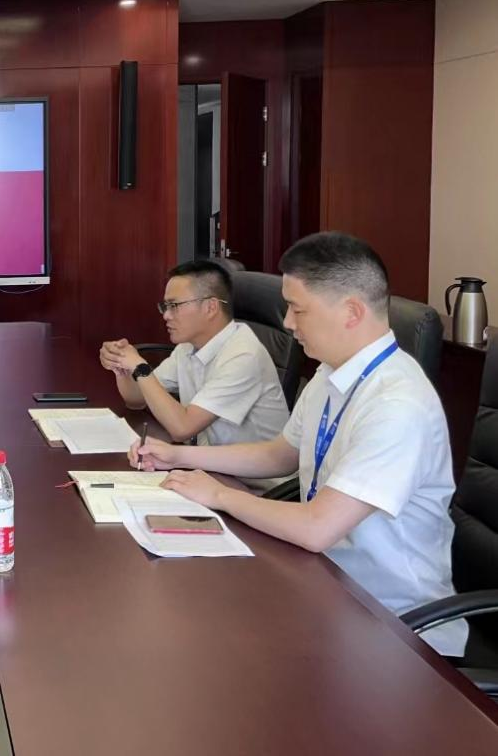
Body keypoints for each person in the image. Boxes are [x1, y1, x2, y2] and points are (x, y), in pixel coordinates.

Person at [130, 232, 465, 656]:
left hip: (394, 628)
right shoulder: (332, 373)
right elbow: (279, 454)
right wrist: (178, 455)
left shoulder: (397, 404)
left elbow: (316, 527)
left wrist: (218, 494)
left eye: (298, 309)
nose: (287, 323)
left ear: (351, 312)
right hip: (324, 585)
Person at [100, 260, 289, 455]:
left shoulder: (243, 356)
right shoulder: (188, 346)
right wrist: (122, 366)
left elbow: (182, 428)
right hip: (206, 462)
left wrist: (140, 366)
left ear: (210, 307)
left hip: (250, 473)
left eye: (174, 305)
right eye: (165, 306)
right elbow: (136, 400)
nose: (166, 315)